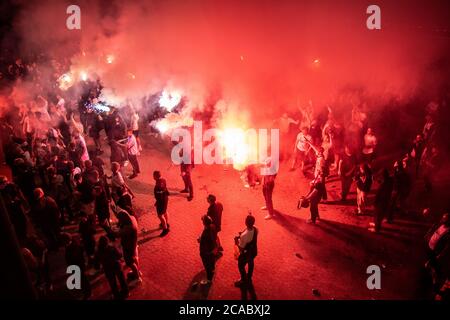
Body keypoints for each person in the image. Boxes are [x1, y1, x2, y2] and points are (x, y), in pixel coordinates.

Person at [95, 236, 129, 300]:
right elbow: (119, 255)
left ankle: (116, 296)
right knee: (122, 280)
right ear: (107, 242)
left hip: (108, 268)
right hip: (117, 266)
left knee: (112, 283)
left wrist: (98, 267)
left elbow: (96, 262)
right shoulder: (112, 248)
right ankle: (126, 292)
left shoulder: (98, 251)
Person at [113, 206, 142, 283]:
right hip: (133, 244)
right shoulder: (132, 218)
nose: (119, 220)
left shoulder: (128, 227)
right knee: (134, 259)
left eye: (120, 219)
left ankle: (137, 278)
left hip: (129, 246)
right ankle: (137, 272)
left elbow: (117, 234)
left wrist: (110, 229)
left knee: (130, 262)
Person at [424, 213, 450, 292]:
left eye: (444, 218)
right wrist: (428, 235)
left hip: (437, 252)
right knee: (428, 265)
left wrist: (441, 254)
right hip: (430, 248)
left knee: (431, 266)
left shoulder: (449, 231)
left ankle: (439, 284)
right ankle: (436, 281)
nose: (442, 219)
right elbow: (433, 230)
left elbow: (447, 246)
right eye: (443, 217)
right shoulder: (440, 225)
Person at [61, 233, 91, 299]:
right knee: (82, 279)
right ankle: (85, 292)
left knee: (83, 280)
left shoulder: (73, 247)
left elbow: (75, 257)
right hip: (77, 266)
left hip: (77, 266)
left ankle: (87, 293)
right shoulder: (72, 245)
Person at [234, 214, 258, 288]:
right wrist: (241, 236)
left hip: (246, 254)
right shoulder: (256, 229)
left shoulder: (244, 235)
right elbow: (250, 237)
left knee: (241, 265)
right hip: (253, 251)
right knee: (251, 262)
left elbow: (241, 248)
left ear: (246, 223)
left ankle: (243, 280)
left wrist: (236, 242)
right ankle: (249, 276)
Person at [370, 169, 393, 233]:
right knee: (380, 215)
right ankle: (376, 224)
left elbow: (378, 194)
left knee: (377, 215)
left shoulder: (383, 185)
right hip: (386, 201)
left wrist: (374, 203)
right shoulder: (389, 181)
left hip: (381, 202)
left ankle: (376, 229)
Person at [198, 215, 217, 285]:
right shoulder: (213, 226)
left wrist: (200, 240)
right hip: (212, 248)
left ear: (204, 223)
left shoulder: (206, 233)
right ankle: (212, 269)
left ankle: (209, 280)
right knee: (212, 261)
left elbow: (205, 245)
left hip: (206, 252)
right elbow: (214, 236)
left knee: (207, 265)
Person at [153, 170, 170, 237]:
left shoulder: (157, 185)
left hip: (161, 201)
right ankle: (166, 223)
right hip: (165, 198)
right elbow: (165, 189)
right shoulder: (163, 180)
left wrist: (157, 202)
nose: (153, 177)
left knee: (160, 215)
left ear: (155, 176)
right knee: (165, 211)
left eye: (153, 176)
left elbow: (159, 196)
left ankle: (165, 229)